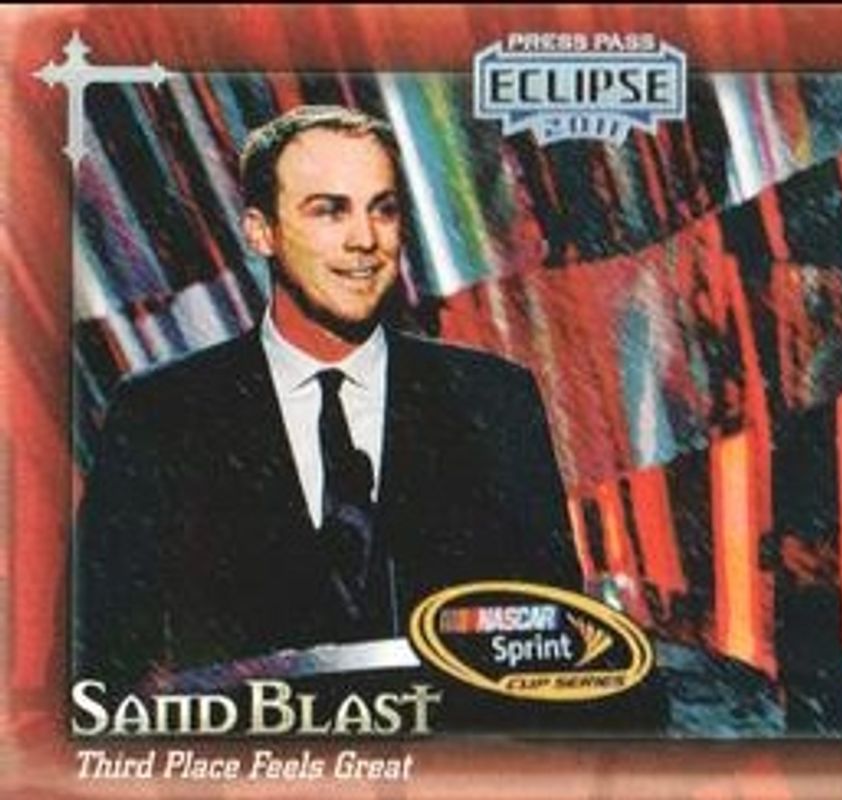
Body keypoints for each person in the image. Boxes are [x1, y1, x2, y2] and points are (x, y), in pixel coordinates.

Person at [74, 105, 584, 694]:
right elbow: (101, 673)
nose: (365, 239)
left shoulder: (493, 398)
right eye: (329, 210)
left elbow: (554, 647)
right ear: (261, 231)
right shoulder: (160, 415)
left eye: (383, 209)